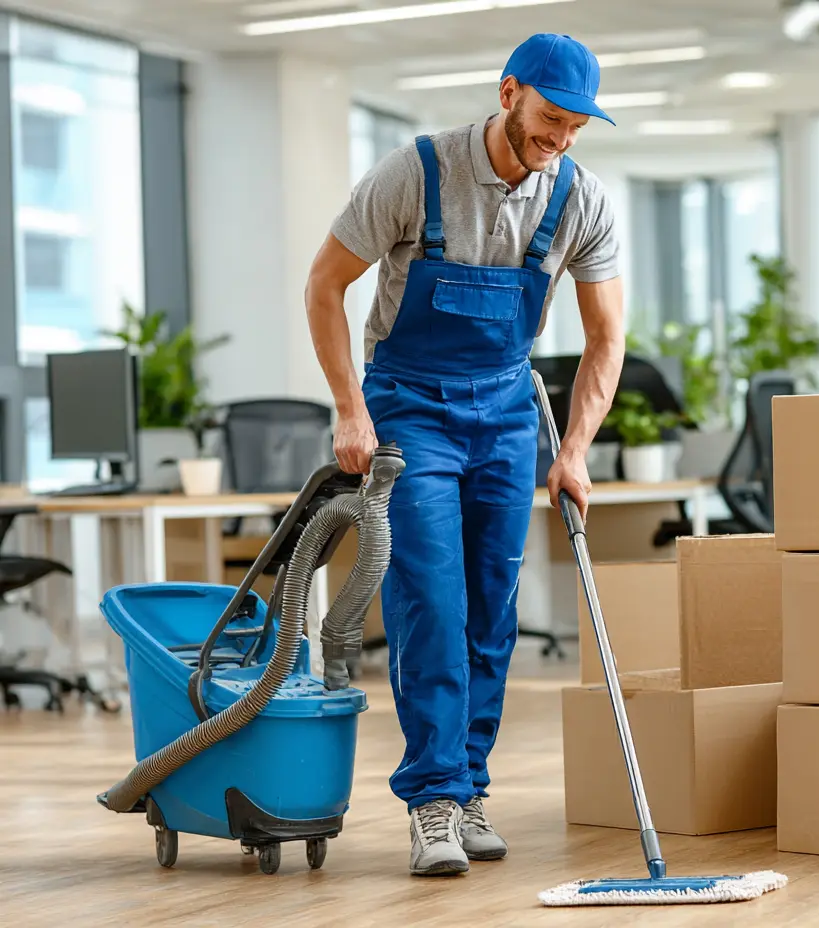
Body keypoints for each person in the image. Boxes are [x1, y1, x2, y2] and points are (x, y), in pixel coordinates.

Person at [304, 33, 625, 877]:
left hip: (507, 412)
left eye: (577, 126)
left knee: (492, 609)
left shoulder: (581, 197)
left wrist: (576, 451)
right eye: (551, 118)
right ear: (509, 92)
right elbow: (325, 284)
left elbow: (606, 338)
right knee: (432, 602)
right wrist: (350, 409)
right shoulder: (415, 173)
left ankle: (470, 786)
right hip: (410, 407)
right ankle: (435, 800)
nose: (561, 139)